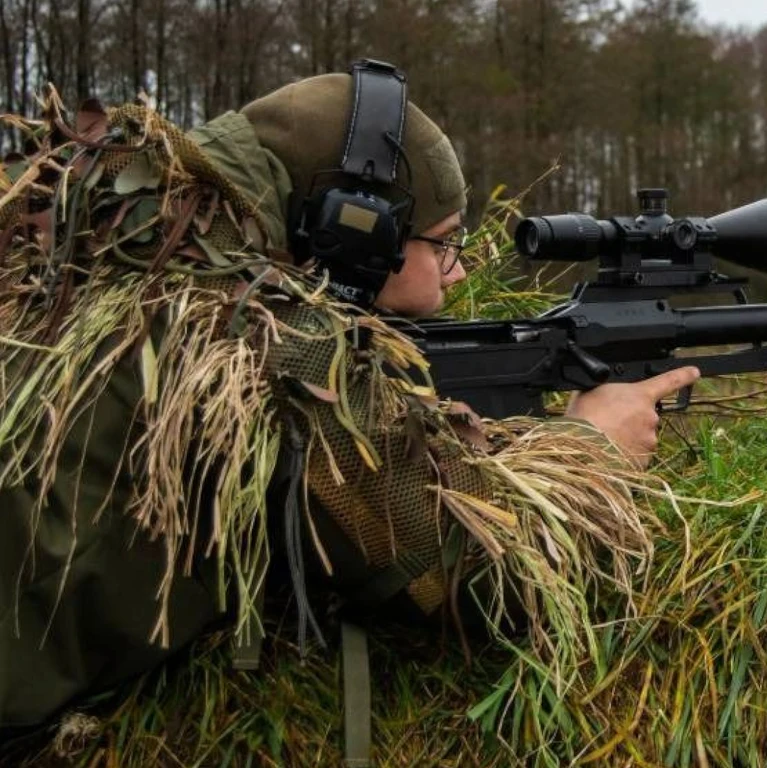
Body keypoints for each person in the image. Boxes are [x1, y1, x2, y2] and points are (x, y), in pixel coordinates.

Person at [0, 62, 697, 733]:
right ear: (352, 232)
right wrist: (592, 446)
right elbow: (483, 579)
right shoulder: (264, 337)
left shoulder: (91, 223)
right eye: (444, 244)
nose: (455, 275)